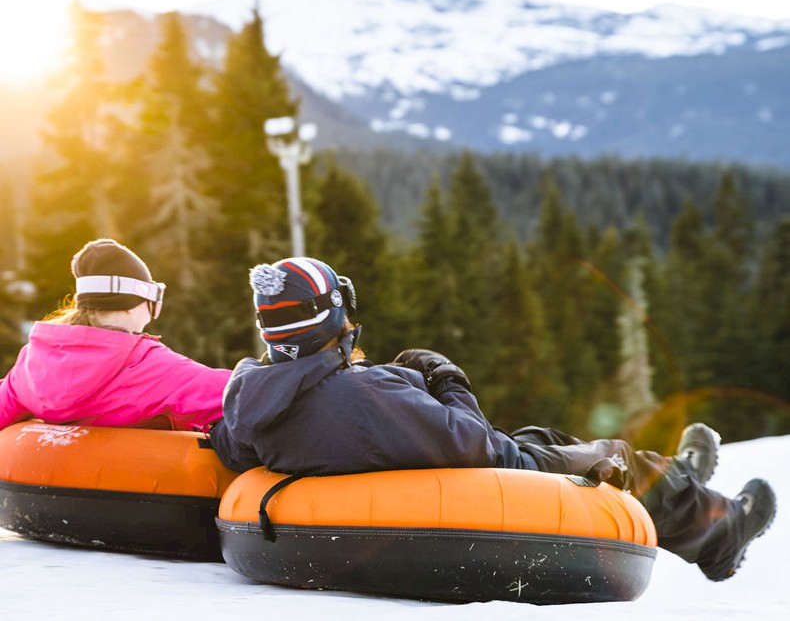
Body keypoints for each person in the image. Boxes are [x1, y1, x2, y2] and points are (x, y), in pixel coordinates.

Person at [210, 256, 777, 583]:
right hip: (489, 479)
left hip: (396, 472)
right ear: (337, 313)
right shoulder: (366, 397)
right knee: (609, 457)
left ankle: (684, 476)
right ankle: (720, 530)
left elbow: (238, 443)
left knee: (544, 437)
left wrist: (395, 380)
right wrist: (447, 377)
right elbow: (480, 446)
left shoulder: (251, 397)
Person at [0, 238, 231, 431]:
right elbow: (237, 394)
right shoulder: (148, 367)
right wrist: (260, 371)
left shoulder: (32, 363)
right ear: (133, 303)